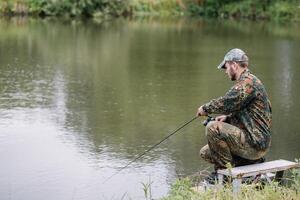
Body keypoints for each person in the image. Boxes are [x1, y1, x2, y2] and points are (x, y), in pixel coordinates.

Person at [196, 48, 272, 179]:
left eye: (226, 67)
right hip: (252, 141)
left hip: (255, 144)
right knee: (206, 152)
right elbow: (247, 112)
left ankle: (225, 176)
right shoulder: (248, 82)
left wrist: (205, 108)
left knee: (213, 127)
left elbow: (227, 102)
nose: (226, 71)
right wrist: (228, 118)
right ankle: (249, 164)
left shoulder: (247, 83)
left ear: (234, 65)